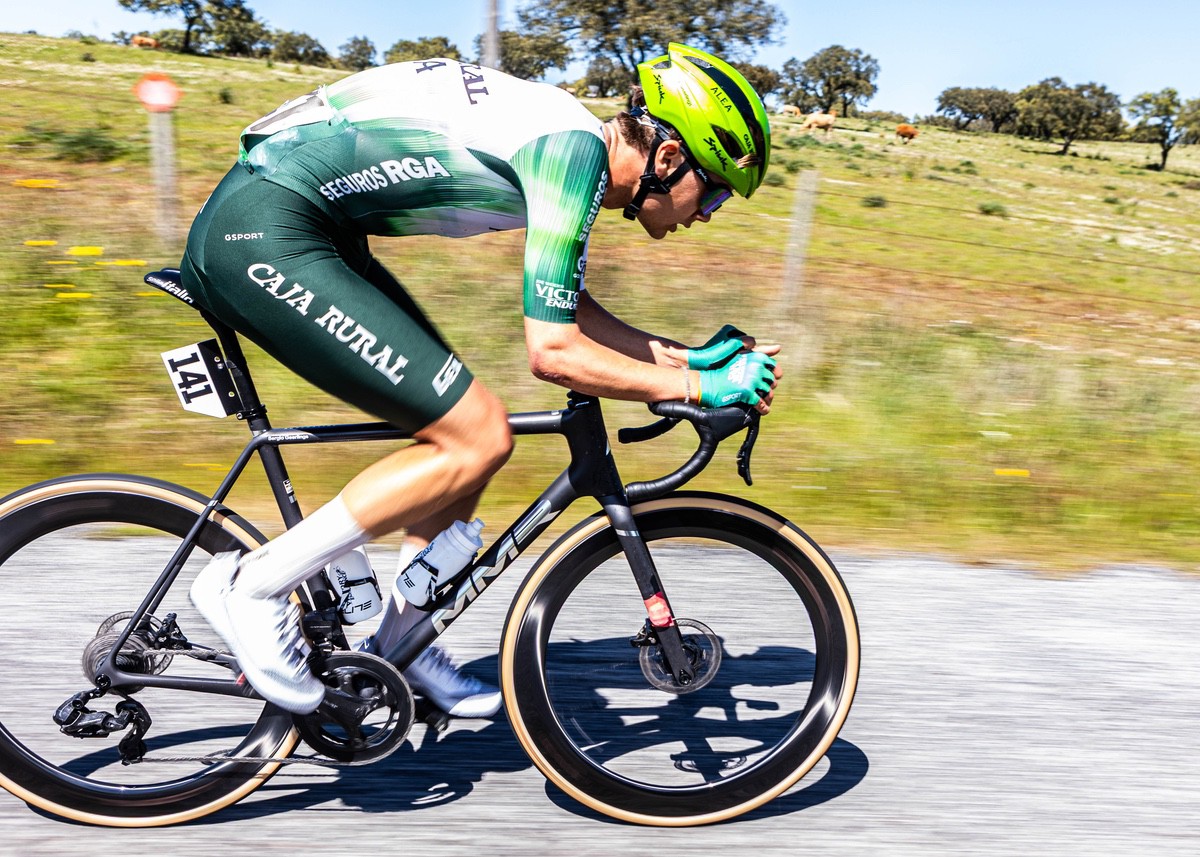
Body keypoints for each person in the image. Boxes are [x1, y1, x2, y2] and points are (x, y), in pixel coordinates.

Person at [184, 43, 781, 717]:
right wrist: (698, 391)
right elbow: (553, 351)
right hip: (264, 232)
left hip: (305, 229)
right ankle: (254, 586)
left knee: (468, 434)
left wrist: (690, 360)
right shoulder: (570, 154)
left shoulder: (576, 151)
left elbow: (572, 309)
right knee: (477, 434)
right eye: (717, 191)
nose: (709, 214)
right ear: (668, 159)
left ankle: (402, 641)